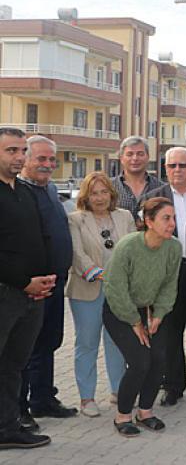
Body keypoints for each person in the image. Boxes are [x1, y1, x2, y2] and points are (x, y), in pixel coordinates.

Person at [103, 197, 181, 437]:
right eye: (166, 218)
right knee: (140, 362)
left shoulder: (174, 247)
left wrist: (158, 315)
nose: (172, 224)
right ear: (148, 221)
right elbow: (115, 287)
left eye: (173, 218)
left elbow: (170, 285)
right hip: (120, 309)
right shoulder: (128, 246)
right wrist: (134, 321)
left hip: (150, 310)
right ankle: (123, 415)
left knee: (158, 359)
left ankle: (145, 412)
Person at [142, 147, 186, 406]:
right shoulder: (153, 198)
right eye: (172, 166)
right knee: (169, 332)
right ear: (165, 168)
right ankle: (173, 385)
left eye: (183, 165)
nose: (178, 170)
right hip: (166, 274)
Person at [0, 127, 54, 450]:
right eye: (11, 151)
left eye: (22, 151)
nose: (19, 157)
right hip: (6, 295)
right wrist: (23, 282)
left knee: (13, 365)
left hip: (32, 298)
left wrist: (42, 280)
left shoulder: (24, 191)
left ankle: (7, 428)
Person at [18, 136, 76, 423]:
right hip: (31, 286)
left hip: (56, 282)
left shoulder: (51, 189)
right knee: (27, 348)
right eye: (41, 159)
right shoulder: (19, 191)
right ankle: (19, 409)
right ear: (25, 159)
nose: (48, 164)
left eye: (52, 159)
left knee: (50, 341)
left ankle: (43, 398)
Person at [67, 172, 135, 418]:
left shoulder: (124, 216)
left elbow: (132, 249)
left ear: (111, 193)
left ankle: (118, 391)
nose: (99, 197)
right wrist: (98, 273)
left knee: (117, 341)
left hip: (119, 290)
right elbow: (76, 254)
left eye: (104, 191)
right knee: (87, 343)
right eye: (94, 193)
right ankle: (87, 398)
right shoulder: (76, 220)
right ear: (86, 195)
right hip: (87, 289)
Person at [110, 136, 164, 214]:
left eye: (140, 154)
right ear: (121, 158)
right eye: (130, 154)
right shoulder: (109, 187)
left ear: (148, 157)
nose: (135, 158)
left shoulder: (161, 188)